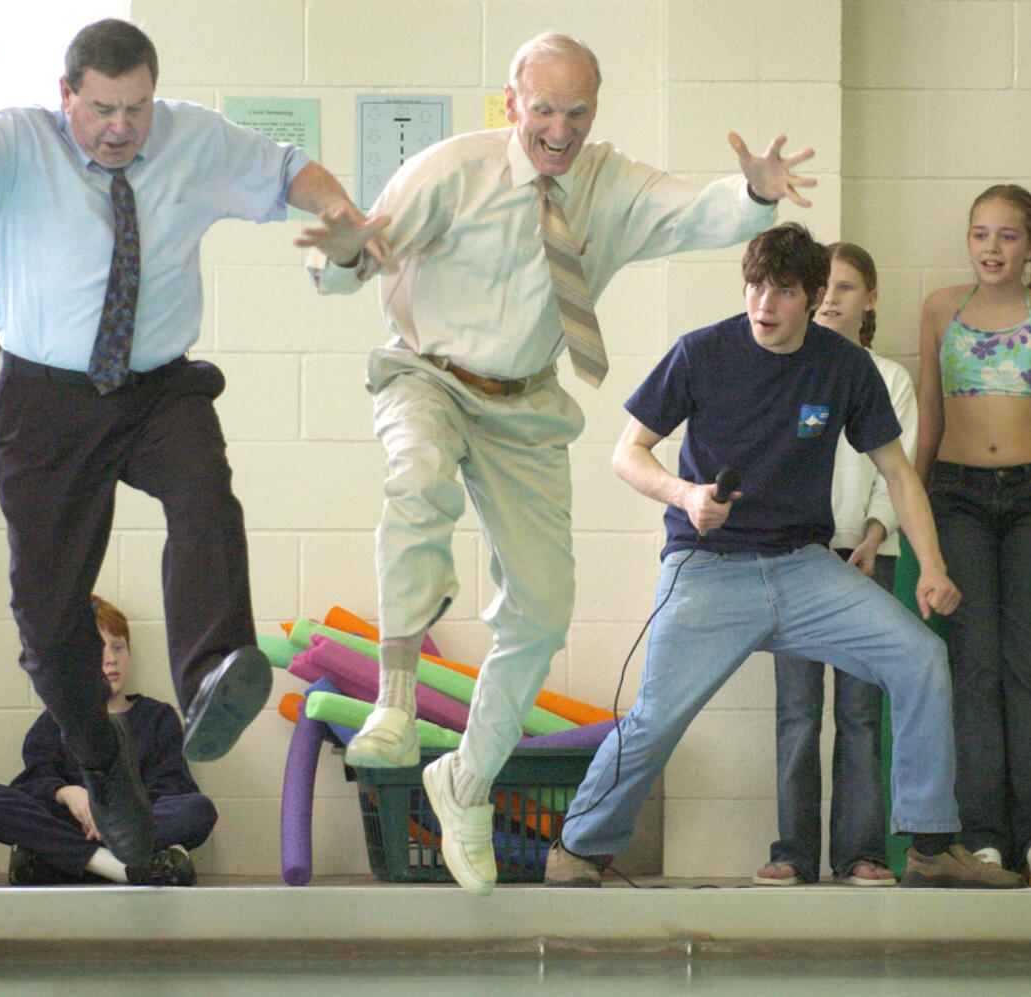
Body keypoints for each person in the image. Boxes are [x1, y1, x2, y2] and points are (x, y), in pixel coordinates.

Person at [298, 31, 816, 896]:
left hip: (526, 401)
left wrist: (755, 193)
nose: (560, 129)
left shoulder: (609, 185)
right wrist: (348, 245)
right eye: (543, 110)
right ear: (512, 103)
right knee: (416, 478)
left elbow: (696, 210)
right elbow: (348, 265)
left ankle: (464, 780)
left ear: (594, 112)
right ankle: (393, 700)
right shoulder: (449, 170)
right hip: (427, 371)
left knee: (543, 607)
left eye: (577, 112)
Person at [0, 20, 381, 866]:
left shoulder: (189, 135)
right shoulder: (15, 145)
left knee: (204, 493)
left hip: (156, 385)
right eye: (104, 109)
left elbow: (287, 166)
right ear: (67, 97)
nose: (122, 127)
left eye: (138, 108)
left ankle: (213, 672)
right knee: (46, 616)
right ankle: (100, 763)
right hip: (46, 399)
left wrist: (344, 215)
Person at [545, 222, 1025, 890]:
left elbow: (898, 472)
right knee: (656, 715)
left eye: (783, 290)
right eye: (755, 286)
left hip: (804, 567)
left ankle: (928, 843)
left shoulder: (843, 366)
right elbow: (627, 452)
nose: (764, 304)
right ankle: (578, 845)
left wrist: (934, 566)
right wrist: (685, 495)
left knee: (920, 656)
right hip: (708, 567)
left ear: (813, 295)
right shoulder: (701, 353)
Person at [915, 185, 1031, 887]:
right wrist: (914, 502)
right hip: (957, 498)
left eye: (1008, 236)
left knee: (1029, 670)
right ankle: (983, 839)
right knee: (972, 670)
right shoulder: (941, 309)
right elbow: (928, 410)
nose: (992, 248)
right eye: (981, 234)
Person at [754, 243, 915, 888]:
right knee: (797, 713)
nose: (830, 298)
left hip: (868, 560)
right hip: (797, 560)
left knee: (860, 714)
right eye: (823, 286)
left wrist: (873, 537)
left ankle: (861, 854)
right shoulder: (785, 374)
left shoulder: (890, 378)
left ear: (869, 301)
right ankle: (793, 852)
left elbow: (897, 473)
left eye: (846, 288)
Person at [0, 596, 216, 886]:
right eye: (98, 650)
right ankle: (118, 867)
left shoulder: (158, 717)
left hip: (136, 828)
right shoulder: (56, 720)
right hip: (71, 824)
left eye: (118, 647)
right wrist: (68, 793)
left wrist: (117, 817)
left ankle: (61, 861)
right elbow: (33, 781)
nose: (111, 658)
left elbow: (174, 786)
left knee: (198, 810)